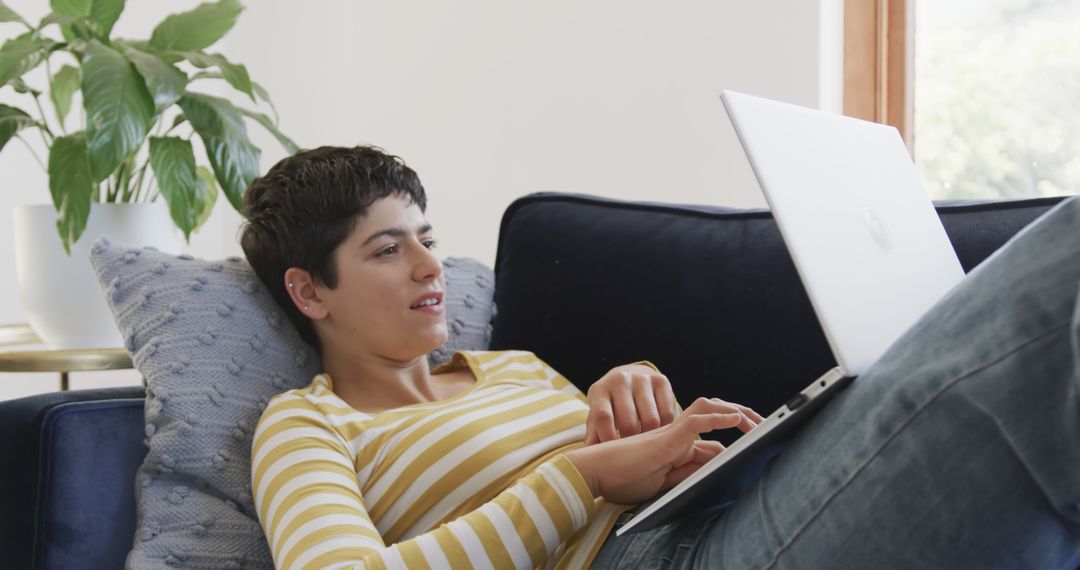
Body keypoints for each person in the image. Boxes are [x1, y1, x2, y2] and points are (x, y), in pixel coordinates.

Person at [241, 145, 1080, 569]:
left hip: (705, 525)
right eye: (389, 251)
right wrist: (588, 475)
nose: (432, 268)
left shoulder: (516, 368)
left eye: (427, 239)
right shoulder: (308, 422)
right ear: (311, 292)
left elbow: (621, 472)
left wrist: (659, 437)